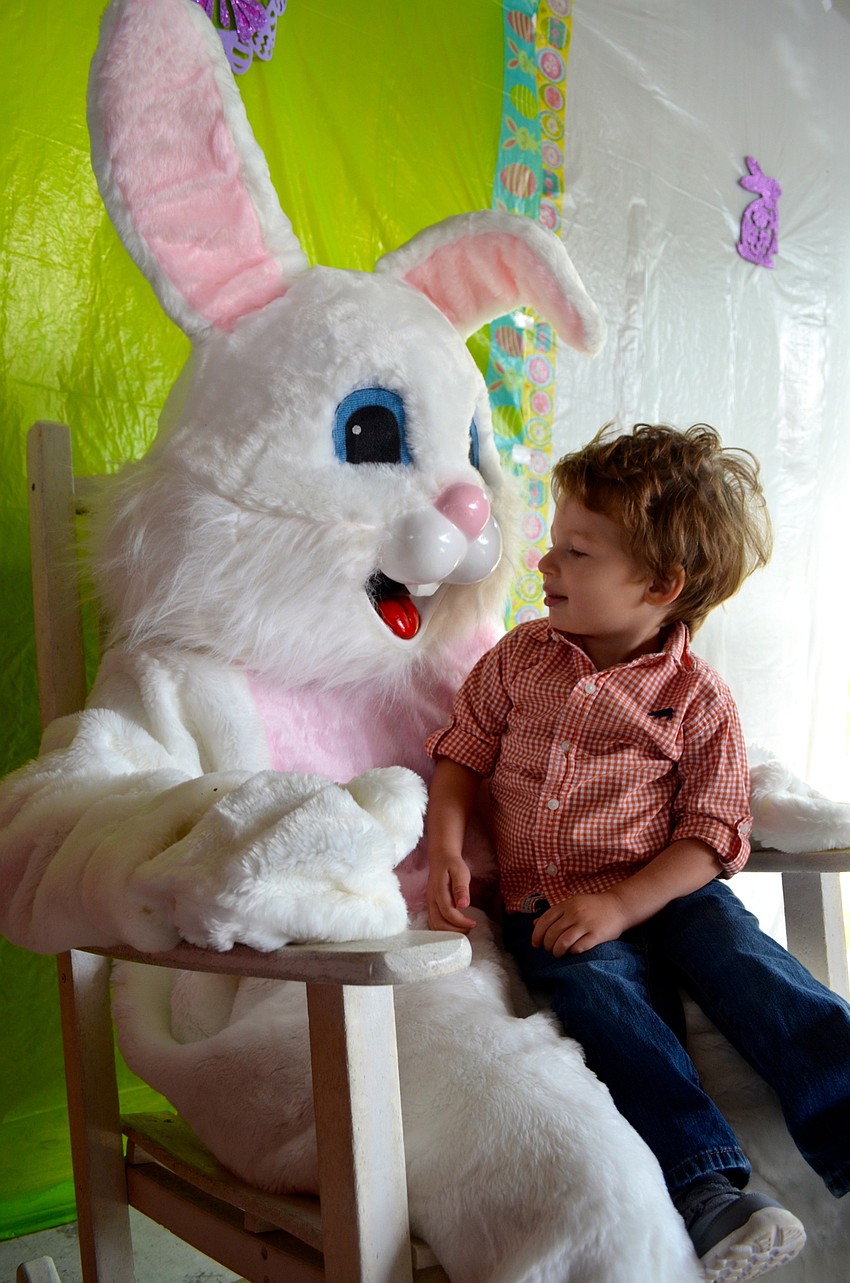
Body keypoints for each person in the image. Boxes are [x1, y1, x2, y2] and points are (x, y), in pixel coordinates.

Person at [424, 423, 850, 1283]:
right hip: (552, 903)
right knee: (598, 995)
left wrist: (625, 902)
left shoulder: (697, 697)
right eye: (553, 544)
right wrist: (445, 841)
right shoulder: (519, 662)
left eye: (576, 553)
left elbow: (714, 830)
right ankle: (711, 1191)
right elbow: (462, 749)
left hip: (668, 892)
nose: (545, 566)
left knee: (746, 959)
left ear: (661, 584)